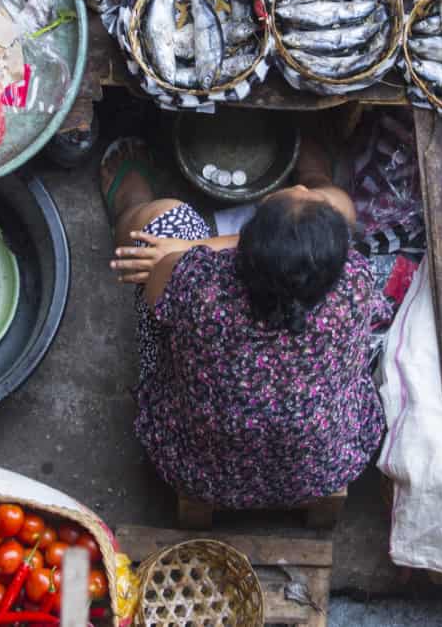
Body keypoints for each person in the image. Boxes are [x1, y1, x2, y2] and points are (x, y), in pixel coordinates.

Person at [100, 133, 389, 509]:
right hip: (326, 468)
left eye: (297, 190)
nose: (295, 187)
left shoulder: (196, 282)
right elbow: (339, 219)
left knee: (159, 221)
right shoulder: (355, 281)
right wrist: (315, 204)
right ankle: (319, 173)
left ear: (242, 250)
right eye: (298, 189)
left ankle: (129, 204)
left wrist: (186, 249)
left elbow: (155, 295)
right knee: (337, 203)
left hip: (196, 471)